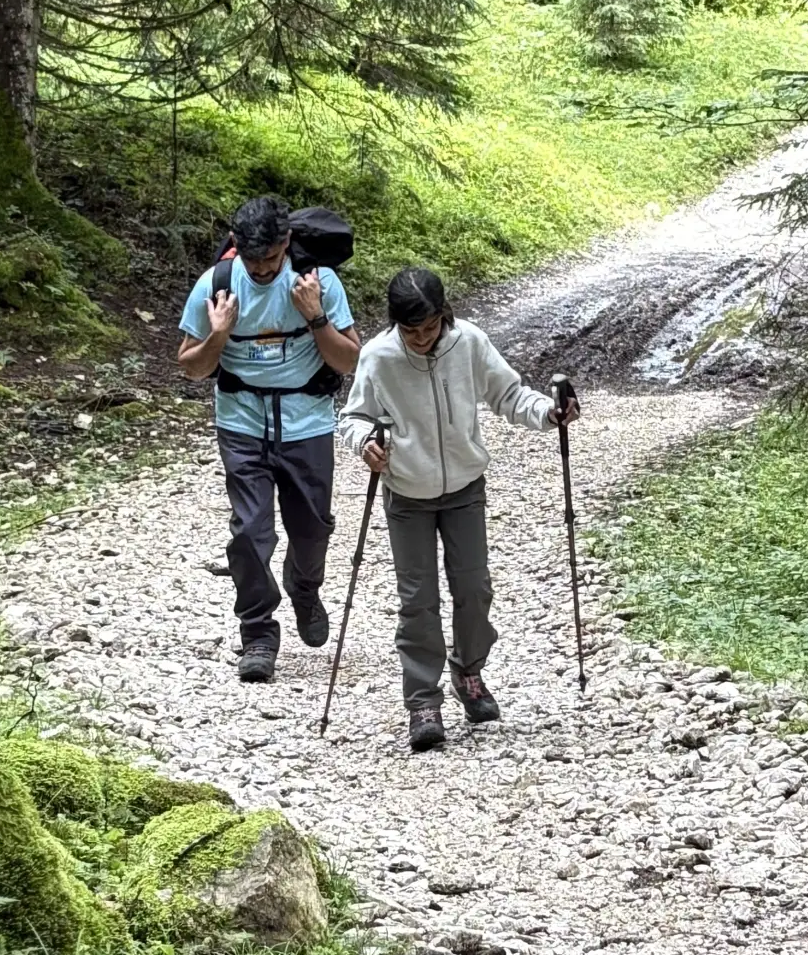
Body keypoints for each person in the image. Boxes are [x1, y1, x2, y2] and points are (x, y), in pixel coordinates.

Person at [338, 265, 580, 752]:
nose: (423, 338)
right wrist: (366, 442)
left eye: (430, 327)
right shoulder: (379, 356)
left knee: (474, 588)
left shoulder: (467, 342)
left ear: (444, 315)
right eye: (412, 331)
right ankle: (423, 702)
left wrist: (549, 413)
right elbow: (354, 417)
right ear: (396, 326)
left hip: (466, 486)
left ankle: (468, 671)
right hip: (407, 491)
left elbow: (508, 394)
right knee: (418, 600)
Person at [178, 196, 360, 682]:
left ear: (286, 244)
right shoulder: (216, 284)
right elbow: (193, 367)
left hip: (308, 423)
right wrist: (218, 334)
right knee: (249, 532)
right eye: (252, 259)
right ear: (236, 246)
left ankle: (304, 585)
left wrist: (316, 316)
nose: (261, 270)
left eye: (271, 259)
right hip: (241, 423)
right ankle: (257, 633)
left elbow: (349, 361)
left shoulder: (316, 281)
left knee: (313, 529)